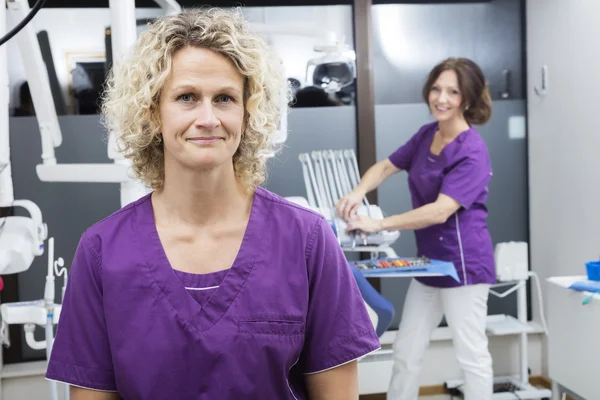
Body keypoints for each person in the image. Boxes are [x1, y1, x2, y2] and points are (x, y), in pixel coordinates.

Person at [45, 8, 380, 400]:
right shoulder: (103, 251)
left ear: (247, 111)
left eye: (224, 98)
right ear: (153, 112)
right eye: (186, 97)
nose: (208, 118)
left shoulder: (305, 240)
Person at [336, 57, 495, 400]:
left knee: (471, 355)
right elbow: (385, 166)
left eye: (453, 92)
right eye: (437, 89)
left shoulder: (472, 151)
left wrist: (377, 223)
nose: (441, 98)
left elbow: (439, 212)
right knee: (406, 352)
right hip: (429, 264)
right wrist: (357, 192)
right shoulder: (427, 134)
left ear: (467, 99)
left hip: (463, 267)